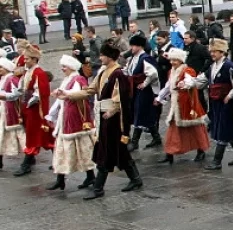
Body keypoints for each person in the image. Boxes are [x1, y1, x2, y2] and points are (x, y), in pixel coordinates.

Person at [78, 42, 142, 199]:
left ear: (109, 57)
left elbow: (122, 99)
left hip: (113, 118)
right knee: (119, 150)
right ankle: (135, 178)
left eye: (102, 55)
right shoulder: (103, 72)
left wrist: (113, 110)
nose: (99, 58)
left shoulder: (118, 74)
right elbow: (91, 90)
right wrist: (67, 94)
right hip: (103, 114)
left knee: (106, 150)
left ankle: (99, 188)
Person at [182, 38, 233, 169]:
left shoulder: (230, 66)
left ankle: (217, 161)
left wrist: (229, 96)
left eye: (215, 52)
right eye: (211, 51)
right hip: (215, 102)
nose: (212, 54)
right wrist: (188, 83)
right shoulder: (212, 67)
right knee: (228, 129)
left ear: (222, 52)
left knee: (224, 128)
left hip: (226, 103)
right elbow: (202, 80)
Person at [45, 55, 96, 191]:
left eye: (64, 67)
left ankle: (90, 175)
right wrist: (51, 115)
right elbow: (60, 100)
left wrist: (63, 92)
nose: (62, 69)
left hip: (76, 119)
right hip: (66, 117)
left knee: (81, 147)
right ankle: (60, 179)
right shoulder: (67, 79)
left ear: (71, 67)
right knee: (62, 148)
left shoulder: (78, 79)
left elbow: (78, 93)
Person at [154, 48, 210, 164]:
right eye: (171, 60)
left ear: (181, 60)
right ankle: (169, 153)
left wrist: (184, 84)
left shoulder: (188, 71)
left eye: (175, 60)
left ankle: (201, 150)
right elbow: (168, 86)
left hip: (189, 105)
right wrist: (159, 97)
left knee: (196, 128)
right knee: (173, 129)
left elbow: (191, 82)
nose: (172, 62)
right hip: (176, 105)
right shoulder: (171, 71)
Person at [10, 44, 54, 176]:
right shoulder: (27, 72)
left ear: (35, 59)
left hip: (35, 110)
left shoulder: (39, 73)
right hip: (27, 108)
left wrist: (30, 102)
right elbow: (22, 88)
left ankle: (26, 163)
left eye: (27, 59)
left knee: (34, 135)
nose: (25, 61)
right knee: (41, 135)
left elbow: (41, 93)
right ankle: (38, 159)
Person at [125, 35, 162, 151]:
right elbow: (127, 70)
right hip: (136, 90)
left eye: (133, 46)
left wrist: (145, 83)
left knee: (140, 112)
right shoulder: (133, 58)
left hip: (145, 91)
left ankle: (135, 142)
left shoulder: (145, 58)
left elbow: (153, 73)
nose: (131, 48)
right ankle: (156, 137)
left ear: (139, 46)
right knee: (145, 113)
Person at [0, 58, 25, 171]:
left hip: (11, 110)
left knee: (20, 135)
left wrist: (3, 96)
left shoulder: (12, 79)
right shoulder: (3, 79)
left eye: (1, 67)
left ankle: (29, 156)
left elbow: (16, 94)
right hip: (3, 110)